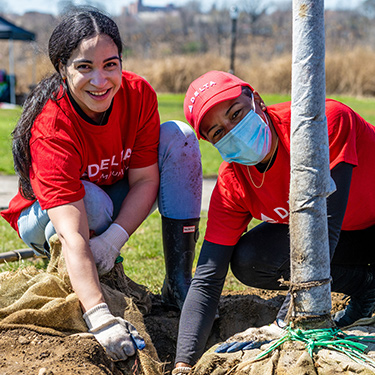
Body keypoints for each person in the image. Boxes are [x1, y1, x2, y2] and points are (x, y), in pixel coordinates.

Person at [1, 8, 202, 362]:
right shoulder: (52, 126)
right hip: (45, 217)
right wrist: (99, 315)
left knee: (179, 138)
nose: (100, 80)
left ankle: (179, 283)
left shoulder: (138, 93)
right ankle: (77, 276)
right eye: (84, 67)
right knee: (92, 206)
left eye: (111, 64)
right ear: (62, 67)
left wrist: (113, 240)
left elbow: (144, 180)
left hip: (106, 200)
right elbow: (73, 233)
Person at [172, 70, 375, 373]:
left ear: (257, 99)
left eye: (236, 114)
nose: (233, 130)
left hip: (347, 228)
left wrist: (283, 323)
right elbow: (207, 280)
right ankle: (367, 290)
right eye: (218, 132)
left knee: (310, 234)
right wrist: (182, 365)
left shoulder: (322, 123)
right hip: (352, 233)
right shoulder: (233, 183)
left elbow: (323, 231)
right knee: (250, 259)